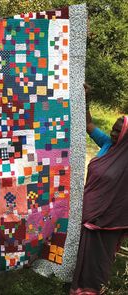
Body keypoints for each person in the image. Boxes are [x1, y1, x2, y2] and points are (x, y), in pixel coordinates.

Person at [70, 84, 128, 295]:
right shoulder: (107, 145)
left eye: (118, 131)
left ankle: (91, 289)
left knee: (98, 259)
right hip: (87, 211)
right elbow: (87, 123)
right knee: (80, 253)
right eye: (112, 129)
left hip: (107, 220)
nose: (112, 133)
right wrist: (86, 99)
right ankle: (75, 283)